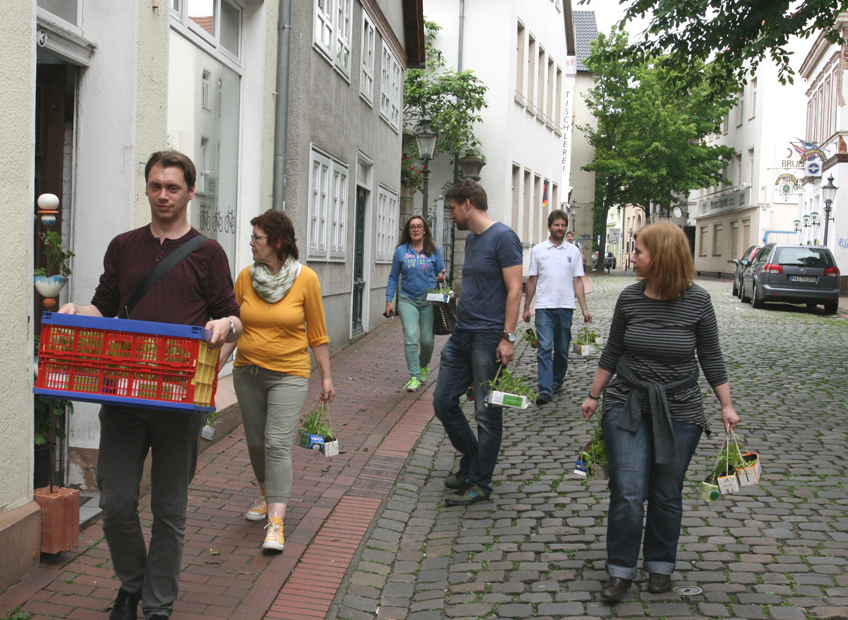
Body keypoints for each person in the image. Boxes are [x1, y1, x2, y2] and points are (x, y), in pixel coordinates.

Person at [58, 151, 242, 620]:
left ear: (189, 192)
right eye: (156, 186)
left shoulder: (208, 253)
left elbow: (233, 315)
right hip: (124, 391)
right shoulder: (123, 245)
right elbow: (104, 305)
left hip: (181, 398)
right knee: (116, 501)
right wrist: (82, 314)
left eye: (173, 187)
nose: (164, 195)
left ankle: (157, 606)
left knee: (169, 510)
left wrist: (225, 326)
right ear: (146, 188)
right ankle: (133, 583)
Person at [580, 221, 739, 603]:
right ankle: (620, 570)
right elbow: (613, 350)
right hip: (627, 402)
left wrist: (726, 404)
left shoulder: (698, 301)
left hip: (680, 408)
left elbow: (711, 356)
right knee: (629, 491)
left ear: (662, 256)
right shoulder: (630, 299)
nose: (632, 257)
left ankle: (660, 565)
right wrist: (594, 395)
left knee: (667, 492)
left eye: (638, 251)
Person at [218, 209, 334, 552]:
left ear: (278, 243)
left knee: (276, 443)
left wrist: (327, 376)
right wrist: (212, 372)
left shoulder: (306, 279)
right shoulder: (245, 278)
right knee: (255, 443)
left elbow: (317, 333)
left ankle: (276, 523)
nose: (251, 243)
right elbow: (233, 328)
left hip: (290, 373)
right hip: (248, 372)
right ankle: (269, 496)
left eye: (257, 238)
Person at [432, 179, 523, 506]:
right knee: (443, 402)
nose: (451, 215)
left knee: (487, 413)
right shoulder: (471, 240)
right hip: (462, 334)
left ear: (467, 203)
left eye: (453, 208)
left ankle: (480, 483)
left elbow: (515, 289)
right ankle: (473, 459)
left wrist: (507, 338)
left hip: (489, 337)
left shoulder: (504, 237)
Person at [522, 210, 592, 406]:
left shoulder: (573, 252)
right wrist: (527, 307)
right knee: (544, 348)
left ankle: (557, 380)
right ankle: (545, 389)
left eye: (563, 225)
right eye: (557, 225)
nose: (560, 228)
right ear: (549, 227)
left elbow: (577, 281)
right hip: (544, 306)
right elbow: (533, 280)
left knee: (561, 349)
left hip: (565, 306)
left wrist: (584, 309)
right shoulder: (538, 250)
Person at [385, 215, 446, 391]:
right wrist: (389, 300)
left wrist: (443, 276)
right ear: (408, 231)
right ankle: (414, 376)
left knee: (427, 340)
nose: (416, 229)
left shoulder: (435, 251)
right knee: (411, 337)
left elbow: (442, 273)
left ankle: (424, 364)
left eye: (419, 226)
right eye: (412, 227)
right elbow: (393, 276)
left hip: (429, 301)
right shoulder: (401, 251)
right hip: (407, 300)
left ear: (425, 229)